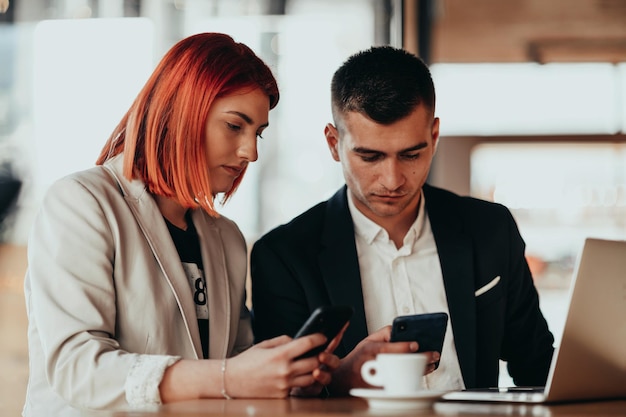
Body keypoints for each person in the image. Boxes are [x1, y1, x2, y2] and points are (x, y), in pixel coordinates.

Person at [23, 32, 342, 417]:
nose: (251, 152)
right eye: (234, 126)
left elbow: (237, 363)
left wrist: (301, 376)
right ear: (182, 112)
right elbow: (76, 368)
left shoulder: (227, 239)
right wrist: (227, 377)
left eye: (257, 133)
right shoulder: (82, 203)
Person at [250, 45, 555, 396]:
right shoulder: (283, 255)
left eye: (411, 154)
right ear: (334, 144)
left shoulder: (490, 229)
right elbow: (278, 400)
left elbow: (538, 366)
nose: (393, 179)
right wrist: (341, 379)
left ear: (434, 137)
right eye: (370, 156)